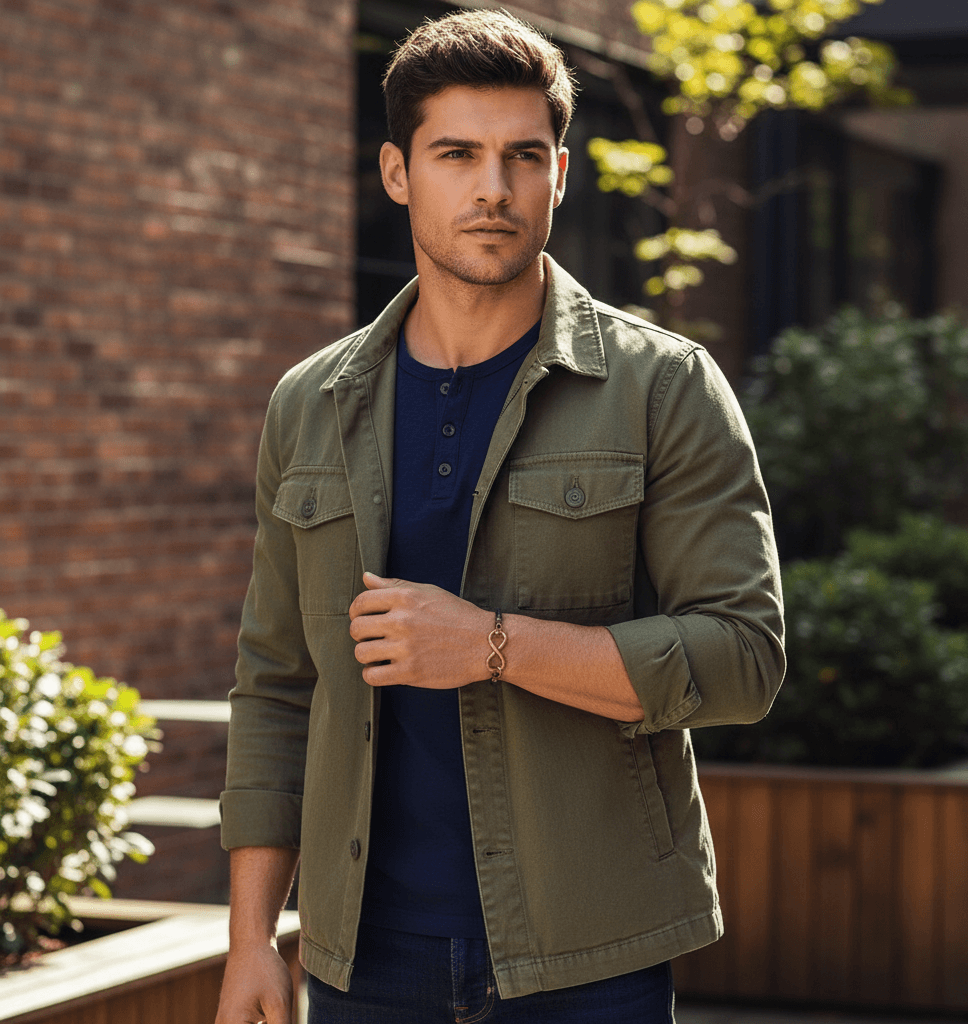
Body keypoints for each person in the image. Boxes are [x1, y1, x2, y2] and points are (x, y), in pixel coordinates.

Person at [216, 9, 785, 1024]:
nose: (493, 187)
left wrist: (488, 645)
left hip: (589, 955)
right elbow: (275, 687)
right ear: (396, 172)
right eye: (457, 154)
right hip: (364, 960)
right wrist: (252, 938)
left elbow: (742, 657)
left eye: (524, 156)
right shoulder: (310, 402)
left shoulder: (662, 386)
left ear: (559, 175)